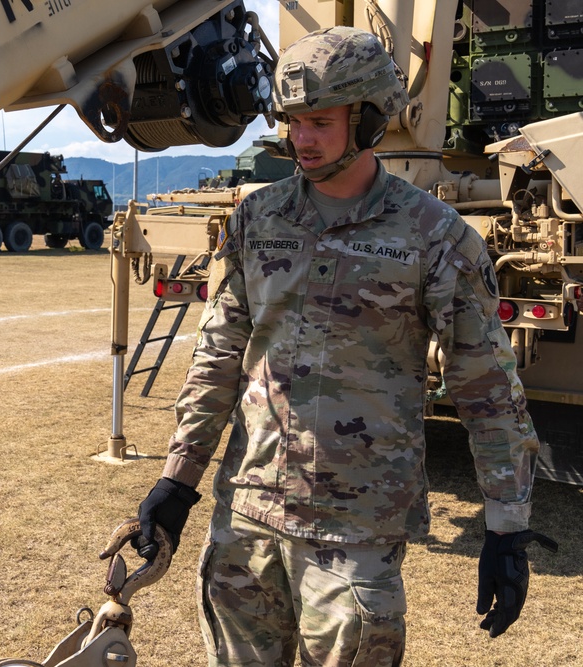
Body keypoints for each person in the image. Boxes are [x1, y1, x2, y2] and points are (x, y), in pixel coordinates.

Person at [128, 26, 555, 667]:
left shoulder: (435, 236)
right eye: (293, 121)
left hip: (356, 532)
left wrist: (506, 522)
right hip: (246, 517)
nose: (301, 139)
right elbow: (219, 353)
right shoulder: (257, 218)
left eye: (320, 121)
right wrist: (177, 482)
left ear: (371, 119)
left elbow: (486, 387)